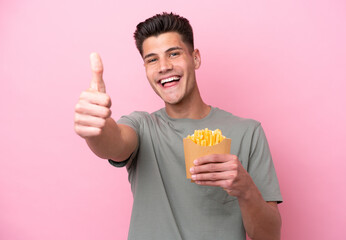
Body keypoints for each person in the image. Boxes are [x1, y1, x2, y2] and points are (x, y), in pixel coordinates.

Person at [74, 12, 282, 240]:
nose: (163, 66)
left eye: (173, 53)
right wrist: (97, 128)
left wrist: (245, 189)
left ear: (195, 58)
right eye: (152, 59)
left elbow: (269, 236)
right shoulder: (142, 126)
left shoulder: (248, 132)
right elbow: (113, 143)